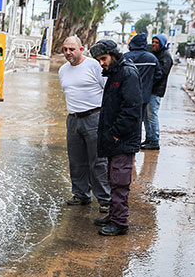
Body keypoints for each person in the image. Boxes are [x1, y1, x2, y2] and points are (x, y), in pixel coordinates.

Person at [89, 39, 143, 236]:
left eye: (103, 58)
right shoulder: (116, 71)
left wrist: (115, 134)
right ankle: (114, 215)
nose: (101, 63)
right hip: (116, 138)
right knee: (113, 178)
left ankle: (120, 223)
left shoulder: (127, 73)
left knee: (120, 181)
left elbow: (132, 110)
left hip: (122, 139)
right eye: (98, 60)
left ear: (113, 55)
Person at [59, 36, 111, 213]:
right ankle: (81, 195)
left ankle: (105, 199)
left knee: (98, 161)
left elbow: (108, 90)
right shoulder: (62, 70)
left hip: (94, 118)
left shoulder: (94, 66)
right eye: (65, 49)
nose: (68, 52)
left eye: (72, 49)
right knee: (76, 160)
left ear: (82, 49)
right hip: (73, 119)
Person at [122, 33, 162, 140]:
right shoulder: (152, 58)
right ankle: (137, 141)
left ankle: (127, 140)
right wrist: (149, 83)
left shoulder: (126, 57)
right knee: (140, 119)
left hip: (127, 95)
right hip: (144, 95)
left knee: (127, 118)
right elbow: (159, 75)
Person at [142, 34, 174, 150]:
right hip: (148, 89)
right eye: (153, 42)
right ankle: (149, 138)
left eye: (157, 42)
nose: (154, 44)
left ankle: (155, 141)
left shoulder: (165, 57)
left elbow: (161, 74)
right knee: (146, 115)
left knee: (152, 115)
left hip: (155, 91)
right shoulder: (153, 54)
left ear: (162, 44)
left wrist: (148, 81)